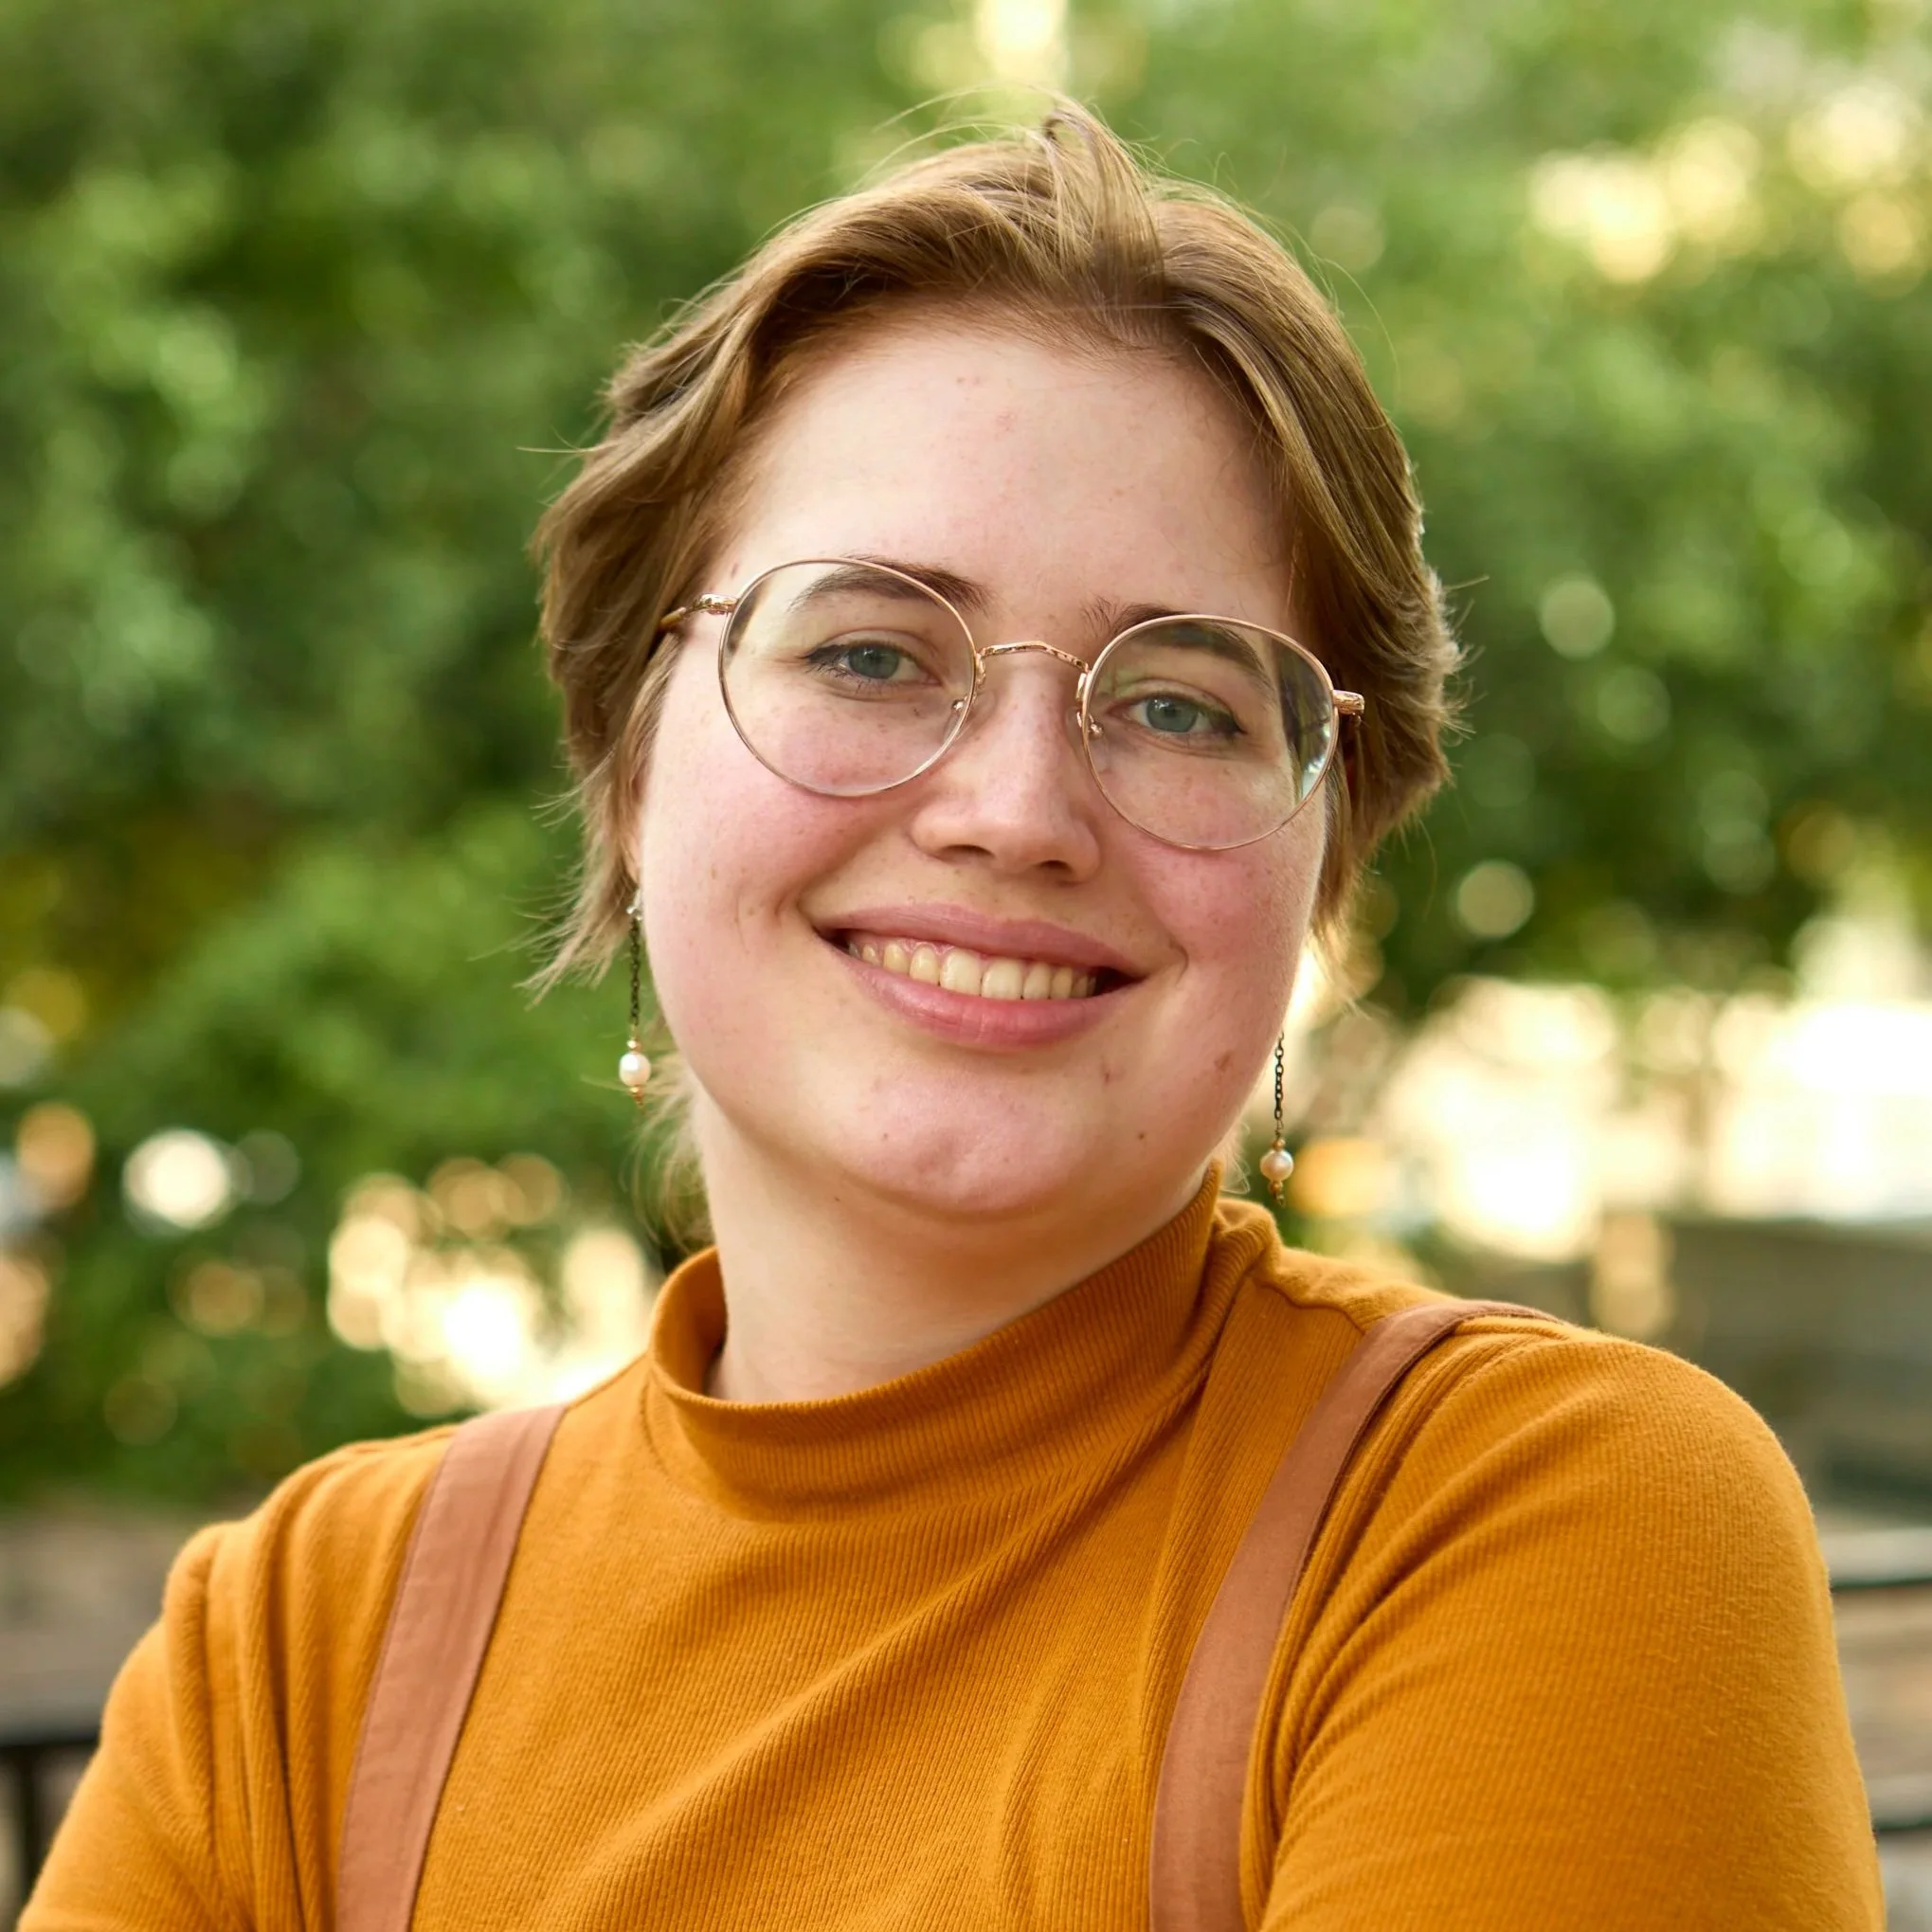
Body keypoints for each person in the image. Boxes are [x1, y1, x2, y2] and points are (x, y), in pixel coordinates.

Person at [27, 107, 1881, 1930]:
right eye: (864, 650)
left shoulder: (1540, 1523)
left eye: (1176, 700)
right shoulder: (294, 1655)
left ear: (1323, 863)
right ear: (622, 768)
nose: (1012, 807)